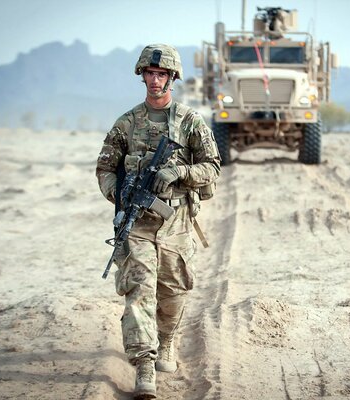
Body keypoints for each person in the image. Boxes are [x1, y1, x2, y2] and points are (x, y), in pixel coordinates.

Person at [95, 43, 221, 399]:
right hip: (136, 223)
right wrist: (120, 196)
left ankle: (166, 342)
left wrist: (179, 171)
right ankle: (145, 364)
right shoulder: (126, 123)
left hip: (176, 221)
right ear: (142, 76)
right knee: (139, 291)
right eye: (150, 74)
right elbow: (105, 168)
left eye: (161, 74)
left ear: (172, 78)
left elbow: (213, 166)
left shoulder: (191, 122)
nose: (154, 80)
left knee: (173, 292)